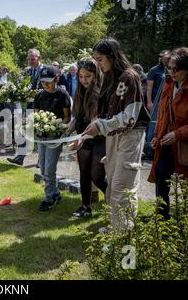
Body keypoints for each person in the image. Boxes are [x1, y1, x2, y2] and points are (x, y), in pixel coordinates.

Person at [83, 38, 150, 231]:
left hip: (130, 135)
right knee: (112, 182)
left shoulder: (129, 77)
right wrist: (92, 128)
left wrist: (101, 126)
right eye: (95, 59)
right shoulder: (109, 78)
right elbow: (105, 113)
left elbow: (129, 116)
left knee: (123, 184)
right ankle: (116, 226)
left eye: (100, 59)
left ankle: (123, 235)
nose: (98, 64)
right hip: (113, 135)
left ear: (112, 56)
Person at [148, 48, 188, 220]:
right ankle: (161, 220)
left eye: (176, 69)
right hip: (167, 143)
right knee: (160, 174)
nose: (171, 72)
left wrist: (178, 134)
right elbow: (163, 113)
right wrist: (157, 136)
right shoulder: (168, 83)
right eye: (169, 68)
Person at [66, 59, 107, 217]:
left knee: (96, 175)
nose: (84, 80)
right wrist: (69, 130)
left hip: (97, 135)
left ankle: (113, 199)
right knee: (84, 172)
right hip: (82, 133)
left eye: (88, 76)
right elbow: (77, 115)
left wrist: (82, 138)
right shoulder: (79, 92)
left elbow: (95, 118)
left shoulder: (98, 93)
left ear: (96, 75)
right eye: (81, 76)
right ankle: (85, 207)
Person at [34, 65, 71, 212]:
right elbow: (36, 116)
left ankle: (48, 198)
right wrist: (37, 128)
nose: (45, 84)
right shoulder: (39, 95)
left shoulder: (63, 95)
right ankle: (55, 192)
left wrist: (57, 128)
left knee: (49, 168)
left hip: (55, 137)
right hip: (42, 136)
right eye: (43, 81)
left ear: (57, 79)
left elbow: (67, 117)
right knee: (43, 168)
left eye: (49, 81)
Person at [7, 48, 45, 166]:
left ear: (39, 58)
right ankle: (20, 157)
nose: (30, 61)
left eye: (32, 58)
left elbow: (47, 87)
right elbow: (24, 86)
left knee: (40, 131)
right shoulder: (27, 71)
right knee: (25, 130)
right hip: (29, 105)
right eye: (28, 59)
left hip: (42, 106)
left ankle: (41, 160)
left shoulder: (45, 70)